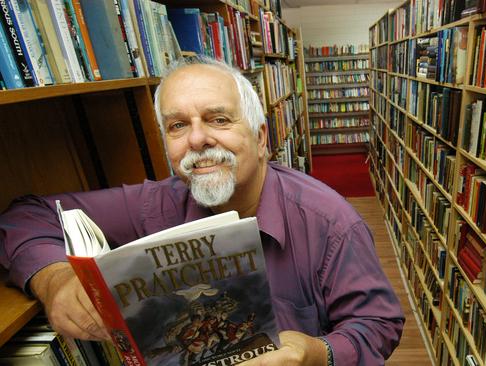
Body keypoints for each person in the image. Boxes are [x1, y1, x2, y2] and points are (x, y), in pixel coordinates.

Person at [0, 57, 404, 365]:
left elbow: (380, 325)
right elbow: (26, 214)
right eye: (177, 126)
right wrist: (53, 279)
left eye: (218, 119)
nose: (197, 139)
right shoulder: (155, 202)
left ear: (261, 137)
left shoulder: (331, 222)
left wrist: (316, 353)